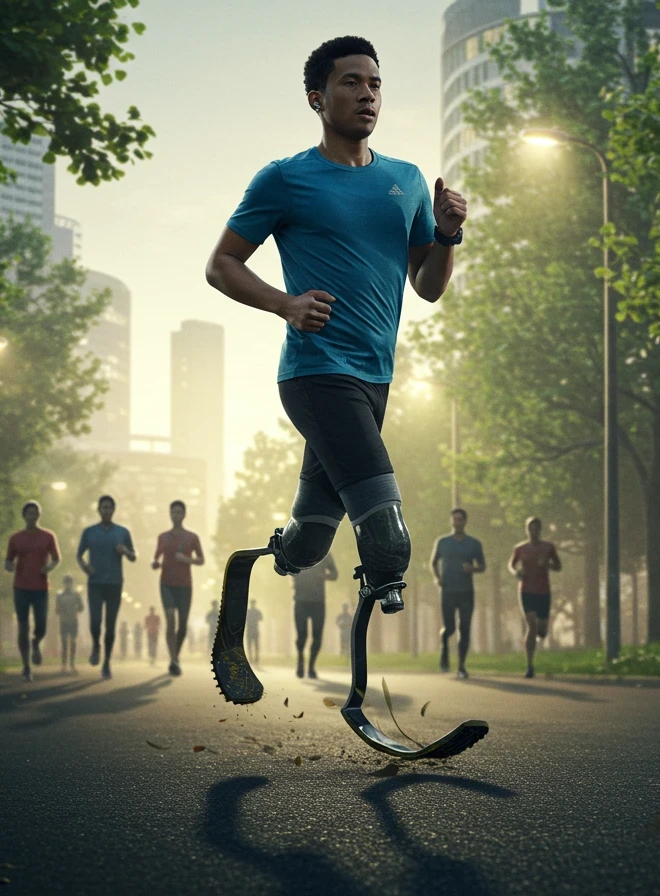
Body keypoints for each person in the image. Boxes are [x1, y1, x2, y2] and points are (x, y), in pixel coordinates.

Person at [204, 35, 465, 705]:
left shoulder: (406, 179)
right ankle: (359, 698)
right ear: (318, 98)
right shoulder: (285, 178)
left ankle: (254, 564)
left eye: (375, 83)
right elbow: (221, 264)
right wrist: (285, 304)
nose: (368, 94)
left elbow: (428, 287)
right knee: (387, 536)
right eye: (351, 82)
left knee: (312, 545)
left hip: (376, 379)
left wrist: (447, 236)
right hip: (316, 375)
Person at [77, 495, 136, 680]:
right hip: (95, 583)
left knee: (110, 626)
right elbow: (79, 555)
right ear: (99, 510)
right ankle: (96, 644)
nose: (106, 510)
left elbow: (133, 556)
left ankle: (107, 662)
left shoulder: (122, 532)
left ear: (114, 510)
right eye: (103, 507)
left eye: (109, 507)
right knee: (95, 622)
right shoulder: (89, 532)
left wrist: (125, 551)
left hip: (115, 583)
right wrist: (85, 567)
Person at [4, 501, 60, 682]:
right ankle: (26, 666)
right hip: (20, 587)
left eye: (35, 513)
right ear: (24, 515)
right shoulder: (15, 538)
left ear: (39, 516)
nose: (32, 516)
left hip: (41, 587)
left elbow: (56, 559)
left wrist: (49, 567)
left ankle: (36, 642)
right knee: (23, 626)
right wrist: (9, 566)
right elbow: (8, 560)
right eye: (29, 513)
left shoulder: (48, 536)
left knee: (41, 625)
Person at [430, 508, 486, 679]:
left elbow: (483, 566)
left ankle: (461, 666)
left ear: (465, 521)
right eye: (454, 519)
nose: (457, 522)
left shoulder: (474, 543)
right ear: (451, 522)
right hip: (447, 591)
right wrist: (437, 578)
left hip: (466, 592)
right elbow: (433, 563)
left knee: (465, 628)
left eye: (460, 519)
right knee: (450, 628)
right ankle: (444, 644)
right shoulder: (442, 542)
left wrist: (472, 568)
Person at [151, 500, 204, 676]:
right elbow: (156, 558)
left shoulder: (192, 537)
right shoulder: (163, 537)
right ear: (170, 514)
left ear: (184, 514)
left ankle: (176, 655)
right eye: (173, 512)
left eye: (179, 512)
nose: (176, 515)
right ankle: (173, 660)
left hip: (185, 585)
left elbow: (201, 560)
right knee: (170, 620)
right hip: (166, 584)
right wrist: (155, 564)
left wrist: (186, 559)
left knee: (182, 625)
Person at [509, 517, 562, 679]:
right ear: (526, 530)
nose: (533, 531)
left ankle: (542, 630)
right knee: (531, 625)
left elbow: (558, 566)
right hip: (526, 591)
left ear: (540, 530)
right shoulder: (520, 548)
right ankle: (530, 665)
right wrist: (516, 572)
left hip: (544, 591)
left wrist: (547, 565)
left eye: (536, 528)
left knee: (542, 630)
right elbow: (511, 565)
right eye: (530, 528)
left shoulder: (548, 547)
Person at [291, 552, 338, 679]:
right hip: (300, 600)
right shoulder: (297, 549)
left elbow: (334, 574)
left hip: (318, 602)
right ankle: (300, 659)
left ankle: (311, 667)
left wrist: (322, 576)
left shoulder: (325, 553)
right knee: (302, 634)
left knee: (317, 635)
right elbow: (287, 568)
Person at [55, 576, 84, 673]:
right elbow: (57, 610)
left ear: (72, 583)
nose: (68, 584)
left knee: (73, 643)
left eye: (69, 582)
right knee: (64, 643)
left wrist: (75, 609)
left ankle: (72, 664)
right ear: (64, 584)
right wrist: (60, 609)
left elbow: (81, 607)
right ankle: (63, 665)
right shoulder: (59, 595)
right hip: (63, 621)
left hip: (73, 621)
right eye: (66, 582)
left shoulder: (76, 595)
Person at [246, 600, 264, 666]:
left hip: (250, 630)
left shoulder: (248, 612)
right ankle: (255, 660)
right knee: (255, 646)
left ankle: (252, 660)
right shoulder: (257, 611)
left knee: (251, 646)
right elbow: (261, 618)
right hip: (254, 630)